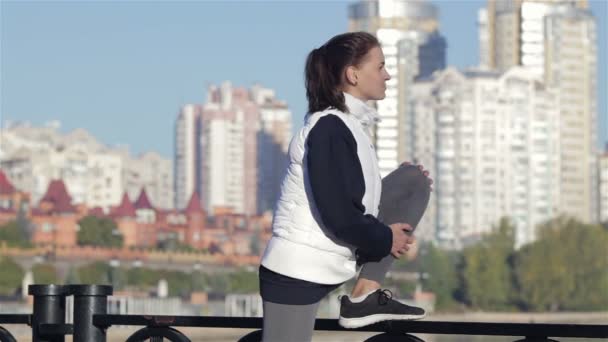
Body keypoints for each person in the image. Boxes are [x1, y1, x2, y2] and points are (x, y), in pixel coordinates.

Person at [258, 31, 432, 342]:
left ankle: (365, 294)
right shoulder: (328, 127)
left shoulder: (351, 126)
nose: (388, 75)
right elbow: (338, 214)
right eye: (380, 67)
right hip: (297, 270)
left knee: (412, 181)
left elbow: (356, 204)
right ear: (352, 74)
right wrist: (384, 238)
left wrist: (395, 201)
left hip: (337, 253)